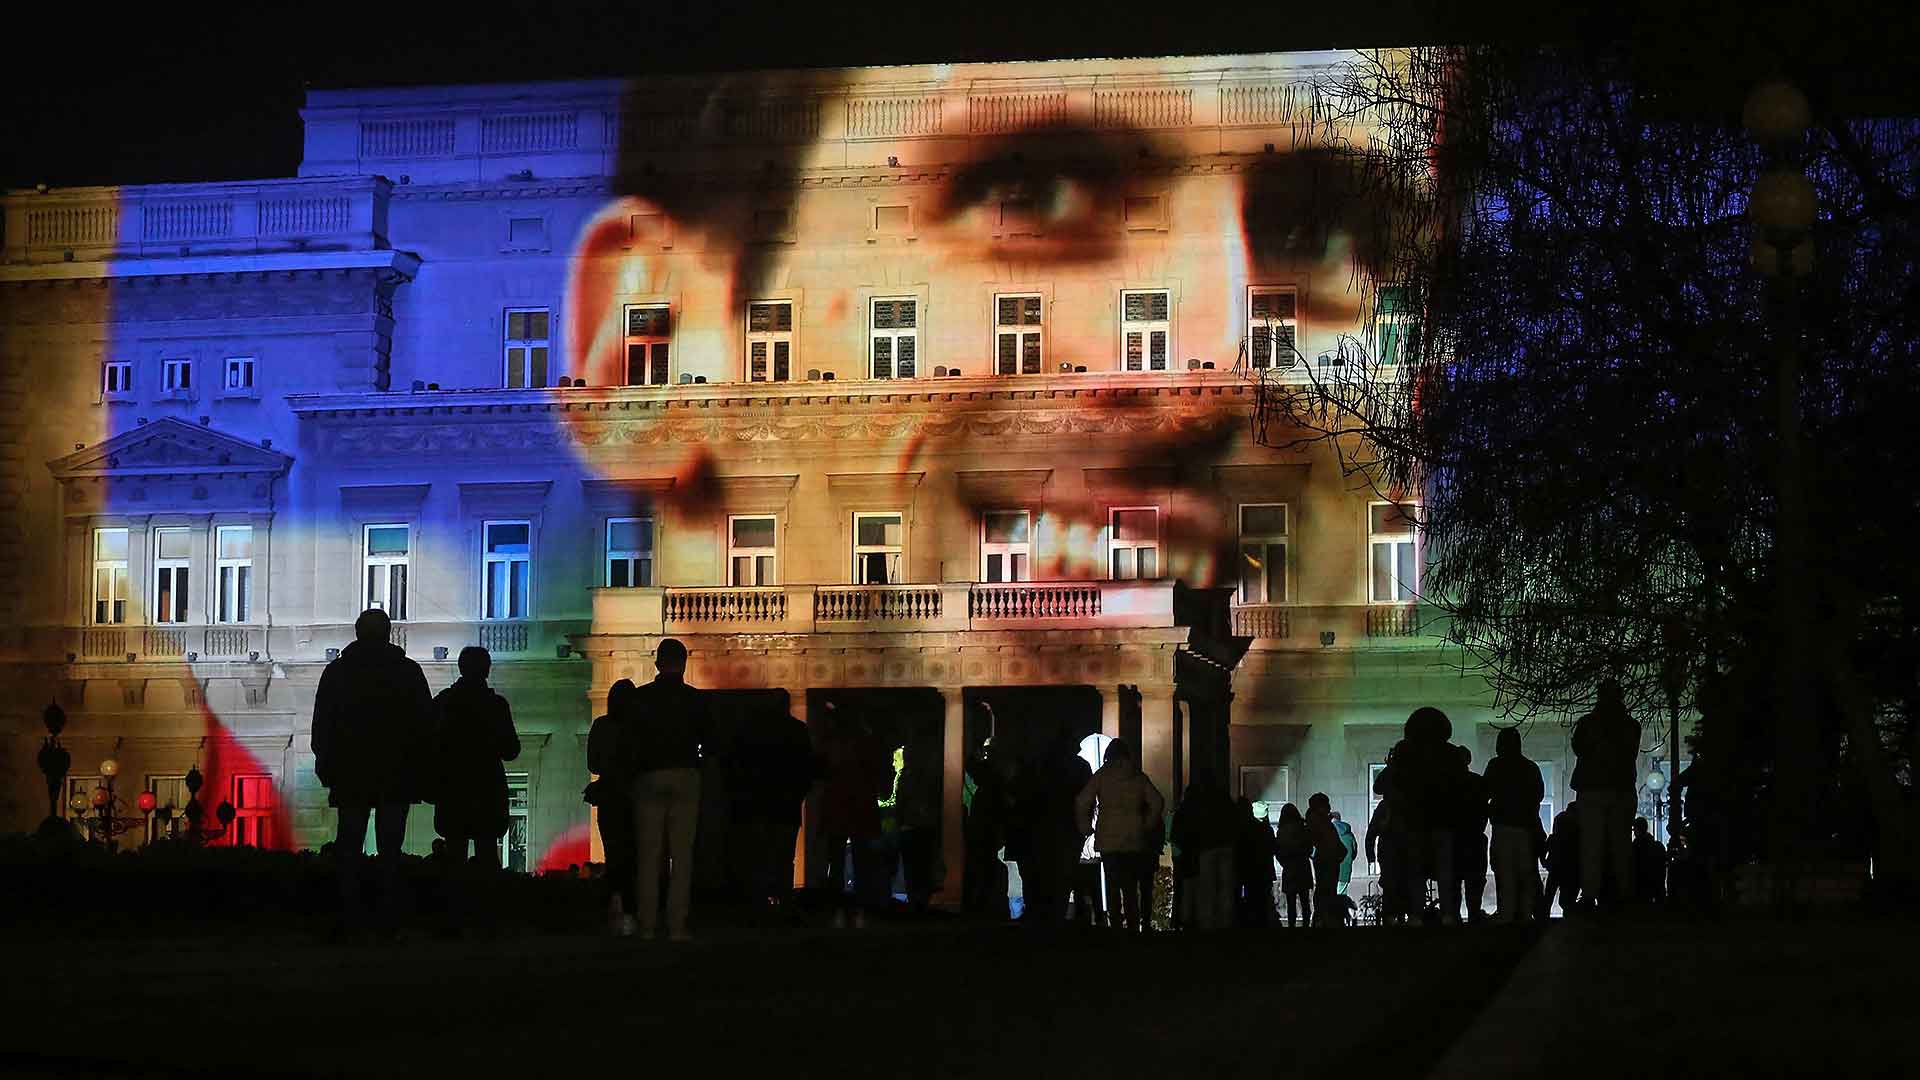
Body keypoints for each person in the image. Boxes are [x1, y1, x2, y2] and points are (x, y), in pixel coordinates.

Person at [311, 608, 434, 939]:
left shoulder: (337, 673)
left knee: (348, 844)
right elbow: (424, 726)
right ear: (389, 633)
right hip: (395, 773)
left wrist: (327, 765)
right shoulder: (407, 672)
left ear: (356, 633)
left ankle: (349, 914)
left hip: (351, 773)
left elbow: (322, 725)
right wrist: (419, 770)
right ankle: (387, 914)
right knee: (390, 848)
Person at [617, 638, 712, 942]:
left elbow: (629, 744)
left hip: (648, 775)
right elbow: (710, 742)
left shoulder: (640, 699)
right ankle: (677, 924)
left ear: (657, 664)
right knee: (682, 856)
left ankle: (647, 924)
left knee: (648, 855)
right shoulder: (696, 700)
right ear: (684, 664)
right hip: (685, 773)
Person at [1374, 706, 1466, 924]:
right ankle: (1447, 914)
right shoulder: (1450, 753)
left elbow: (1383, 785)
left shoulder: (1407, 752)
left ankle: (1416, 913)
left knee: (1416, 870)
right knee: (1444, 871)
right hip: (1443, 820)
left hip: (1414, 820)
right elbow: (1460, 787)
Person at [433, 647, 522, 869]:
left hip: (453, 787)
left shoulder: (444, 702)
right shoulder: (496, 705)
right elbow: (511, 750)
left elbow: (429, 743)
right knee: (488, 853)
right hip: (487, 787)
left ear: (461, 669)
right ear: (487, 670)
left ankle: (454, 901)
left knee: (454, 856)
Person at [728, 711, 816, 916]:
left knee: (761, 854)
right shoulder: (798, 731)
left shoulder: (753, 732)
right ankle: (783, 901)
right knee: (785, 856)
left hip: (760, 803)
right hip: (786, 804)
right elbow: (807, 767)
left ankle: (760, 902)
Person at [1075, 738, 1166, 933]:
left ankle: (1115, 926)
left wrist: (1085, 828)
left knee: (1112, 885)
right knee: (1130, 887)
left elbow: (1082, 801)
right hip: (1134, 837)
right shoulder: (1138, 776)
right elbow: (1157, 801)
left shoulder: (1101, 775)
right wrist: (1147, 824)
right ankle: (1133, 926)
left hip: (1108, 838)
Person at [817, 707, 891, 928]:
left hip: (841, 804)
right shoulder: (866, 744)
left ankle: (838, 897)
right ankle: (860, 897)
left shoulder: (835, 744)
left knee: (838, 855)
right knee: (860, 855)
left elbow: (825, 770)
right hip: (858, 804)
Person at [1571, 679, 1641, 912]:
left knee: (1591, 846)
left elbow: (1578, 748)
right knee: (1620, 845)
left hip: (1592, 788)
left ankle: (1590, 894)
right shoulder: (1631, 726)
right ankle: (1623, 893)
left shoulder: (1588, 724)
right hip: (1621, 788)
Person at [1015, 731, 1093, 926]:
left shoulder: (1041, 765)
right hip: (1069, 828)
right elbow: (1086, 800)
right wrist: (1084, 826)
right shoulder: (1081, 767)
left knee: (1044, 873)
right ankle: (1056, 913)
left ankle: (1040, 914)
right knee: (1064, 875)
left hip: (1044, 827)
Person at [588, 679, 638, 934]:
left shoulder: (601, 726)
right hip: (633, 797)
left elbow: (593, 765)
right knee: (633, 856)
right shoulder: (638, 728)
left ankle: (609, 909)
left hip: (608, 797)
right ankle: (631, 911)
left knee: (612, 855)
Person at [1482, 727, 1546, 922]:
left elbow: (1485, 793)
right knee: (1526, 873)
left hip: (1502, 827)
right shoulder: (1530, 768)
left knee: (1504, 873)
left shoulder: (1495, 766)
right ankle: (1525, 914)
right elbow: (1538, 796)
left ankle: (1506, 914)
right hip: (1526, 828)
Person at [1169, 773, 1238, 930]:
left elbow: (1180, 834)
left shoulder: (1196, 805)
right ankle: (1225, 923)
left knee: (1207, 890)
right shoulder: (1224, 800)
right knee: (1225, 888)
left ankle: (1207, 924)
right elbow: (1234, 820)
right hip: (1225, 846)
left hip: (1206, 848)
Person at [962, 736, 1013, 919]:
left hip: (986, 825)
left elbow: (971, 765)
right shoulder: (1002, 773)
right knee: (987, 864)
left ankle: (983, 904)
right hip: (993, 826)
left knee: (983, 865)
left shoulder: (990, 773)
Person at [895, 739, 943, 914]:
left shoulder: (906, 778)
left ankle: (916, 899)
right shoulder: (928, 778)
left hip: (912, 828)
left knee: (913, 867)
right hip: (923, 827)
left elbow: (901, 803)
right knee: (922, 866)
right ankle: (921, 900)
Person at [1453, 746, 1490, 923]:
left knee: (1454, 881)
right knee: (1475, 880)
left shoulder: (1447, 784)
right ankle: (1474, 913)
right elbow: (1486, 807)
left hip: (1455, 838)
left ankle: (1455, 915)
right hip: (1474, 836)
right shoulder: (1478, 782)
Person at [1233, 797, 1277, 928]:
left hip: (1248, 871)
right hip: (1264, 870)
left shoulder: (1241, 829)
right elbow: (1273, 848)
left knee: (1250, 898)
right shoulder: (1266, 830)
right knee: (1262, 900)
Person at [1366, 792, 1406, 925]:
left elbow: (1371, 833)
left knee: (1390, 886)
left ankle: (1390, 916)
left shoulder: (1384, 807)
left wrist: (1371, 856)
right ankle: (1400, 915)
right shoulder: (1405, 804)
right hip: (1401, 853)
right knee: (1400, 885)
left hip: (1389, 852)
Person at [1306, 793, 1344, 927]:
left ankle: (1322, 918)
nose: (1329, 807)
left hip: (1327, 858)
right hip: (1328, 859)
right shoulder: (1319, 821)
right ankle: (1324, 919)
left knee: (1325, 889)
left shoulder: (1317, 820)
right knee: (1326, 890)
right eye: (1326, 804)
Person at [1273, 802, 1313, 928]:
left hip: (1289, 868)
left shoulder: (1281, 831)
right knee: (1305, 901)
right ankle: (1306, 926)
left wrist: (1285, 863)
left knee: (1291, 903)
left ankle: (1291, 927)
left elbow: (1277, 851)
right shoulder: (1303, 828)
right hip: (1303, 867)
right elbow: (1309, 848)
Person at [1541, 801, 1582, 918]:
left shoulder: (1555, 836)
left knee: (1548, 899)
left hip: (1555, 869)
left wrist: (1545, 863)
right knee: (1566, 902)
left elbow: (1543, 850)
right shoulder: (1577, 839)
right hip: (1571, 871)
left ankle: (1543, 925)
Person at [1632, 816, 1667, 904]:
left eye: (1634, 830)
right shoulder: (1658, 846)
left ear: (1637, 829)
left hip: (1642, 888)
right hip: (1657, 888)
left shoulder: (1636, 847)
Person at [1330, 811, 1359, 896]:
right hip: (1345, 870)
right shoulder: (1349, 834)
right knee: (1341, 896)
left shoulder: (1327, 832)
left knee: (1329, 898)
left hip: (1329, 870)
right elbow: (1354, 852)